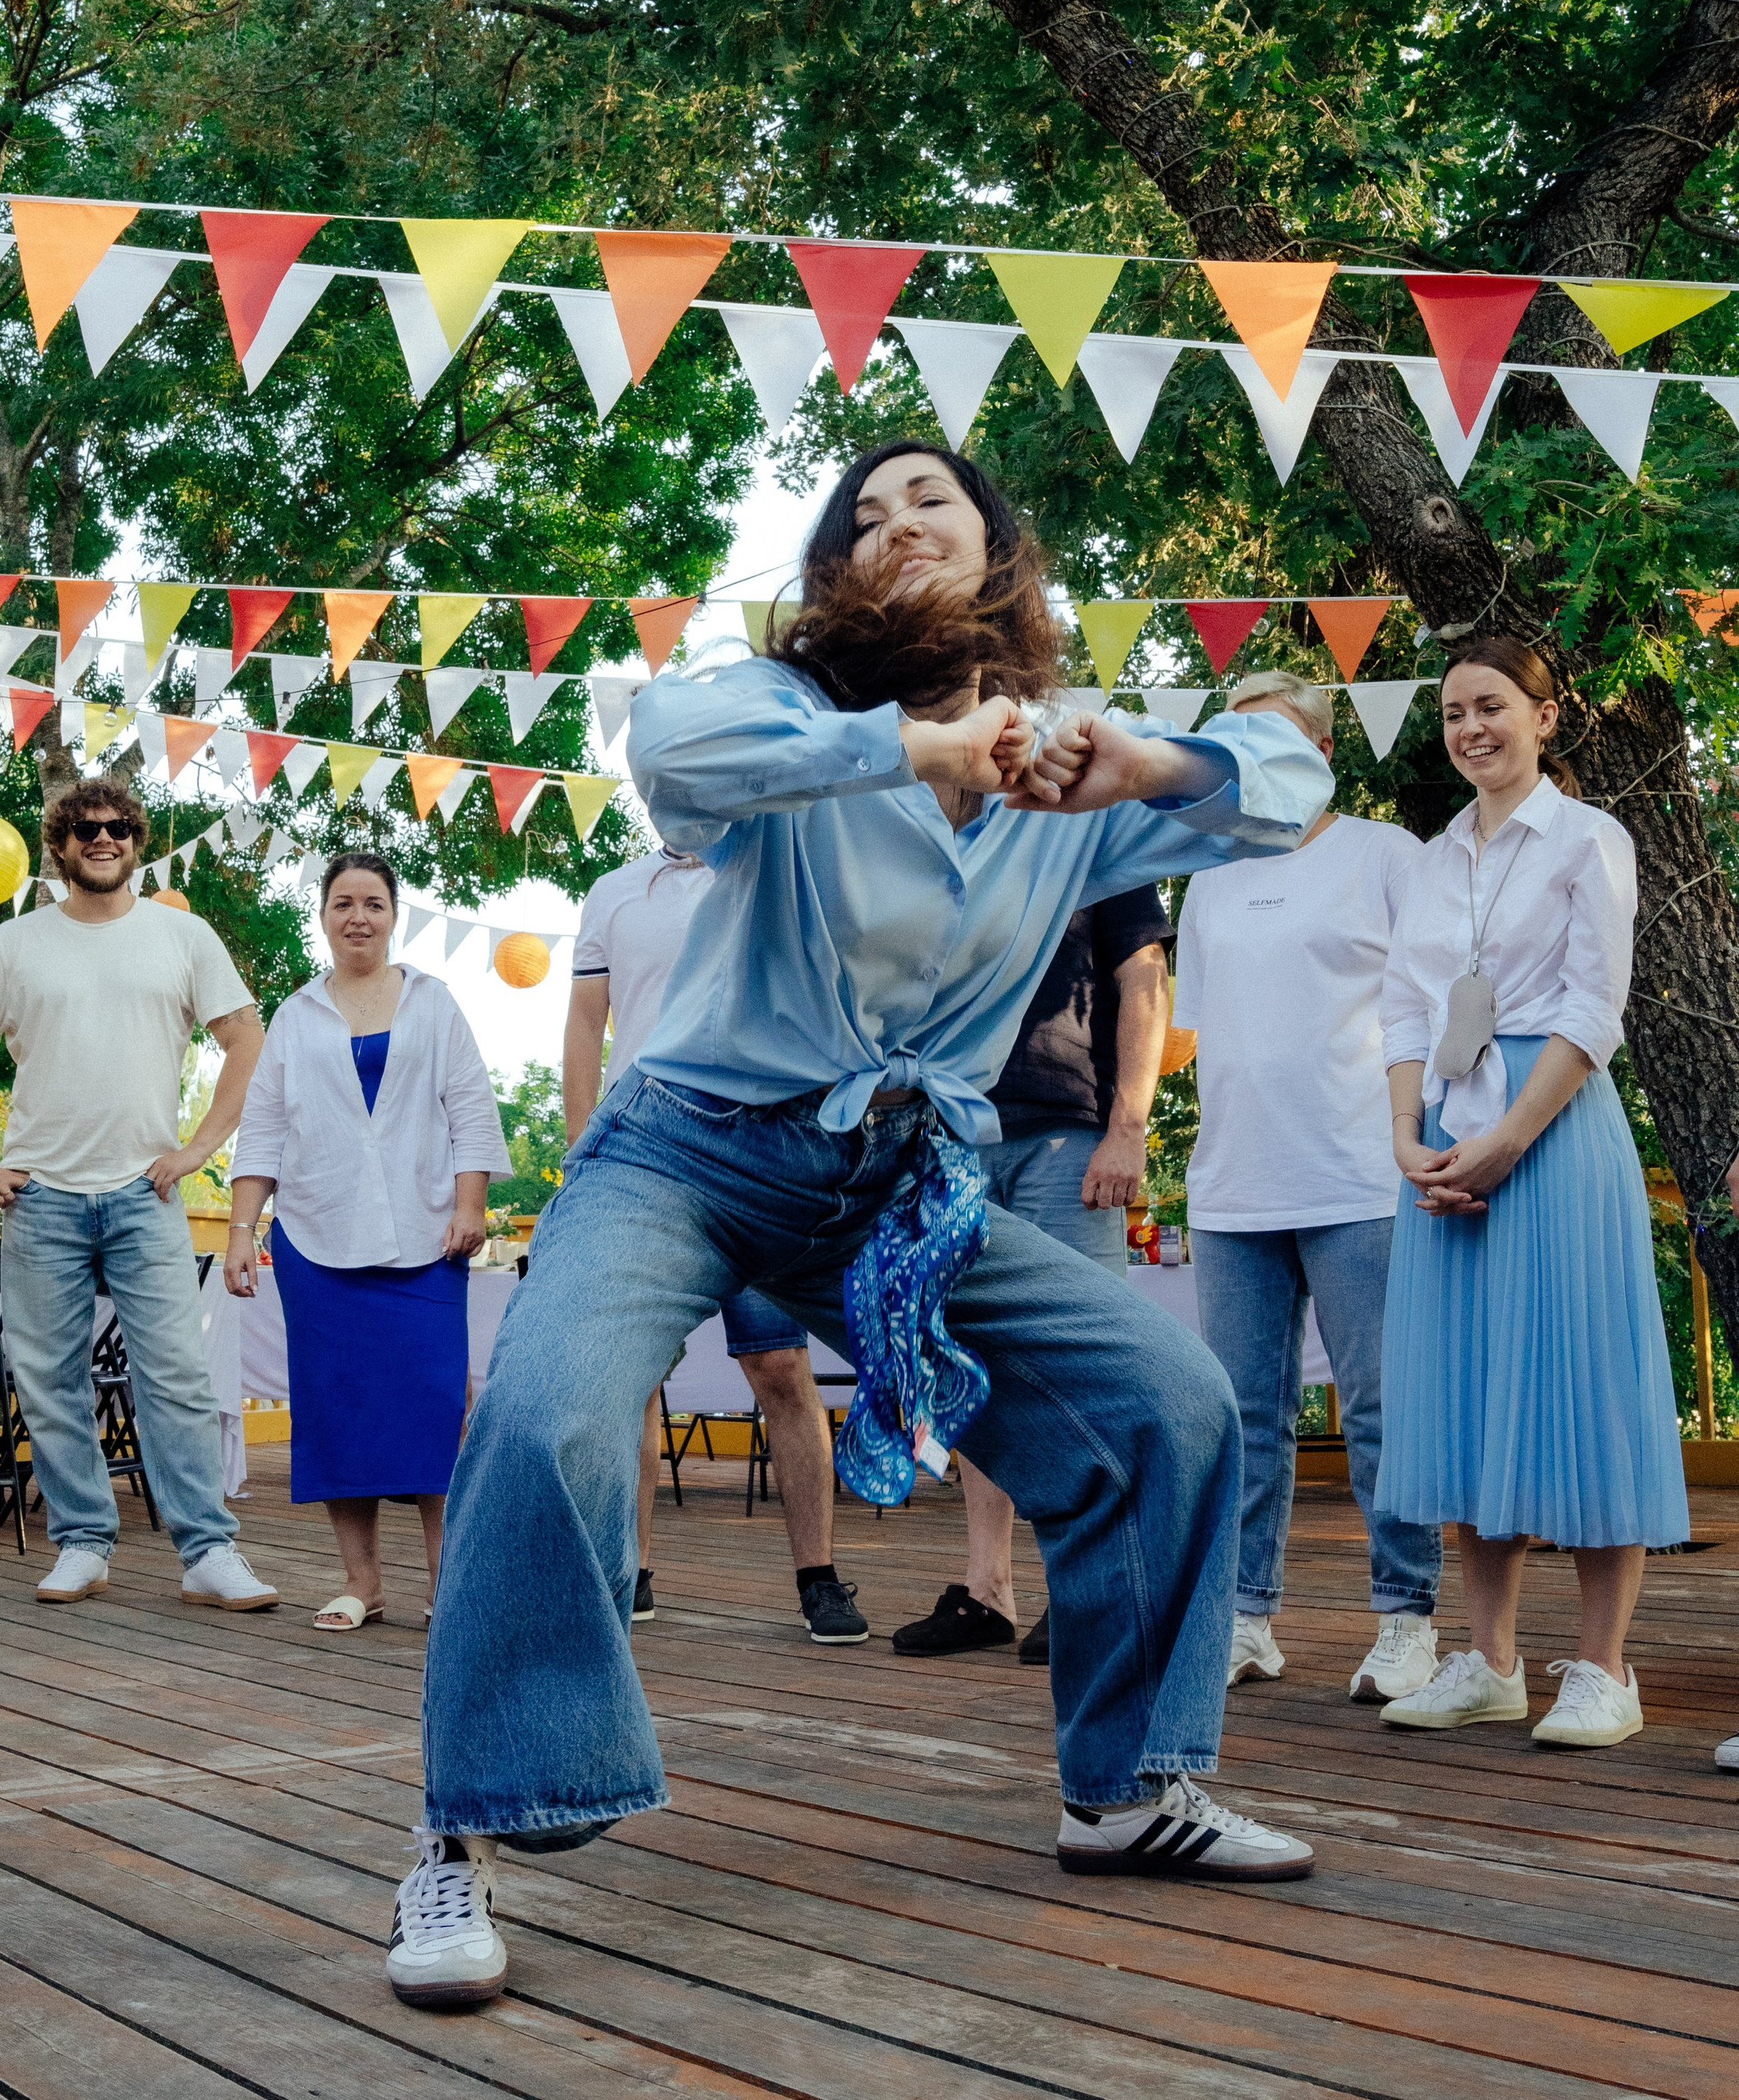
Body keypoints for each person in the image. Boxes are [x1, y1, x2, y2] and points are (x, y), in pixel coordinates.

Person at [384, 442, 1336, 2013]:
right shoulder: (800, 725)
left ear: (997, 551)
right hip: (687, 1147)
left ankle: (1124, 1790)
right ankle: (462, 1831)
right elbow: (672, 739)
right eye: (861, 514)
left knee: (1164, 1401)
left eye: (930, 504)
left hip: (890, 1188)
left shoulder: (1072, 782)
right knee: (547, 1417)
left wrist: (1140, 771)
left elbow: (1288, 779)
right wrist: (918, 748)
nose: (891, 523)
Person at [1373, 636, 1687, 1749]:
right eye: (1455, 711)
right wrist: (1410, 1136)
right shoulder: (1427, 860)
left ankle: (1605, 1668)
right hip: (1451, 1135)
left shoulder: (1589, 840)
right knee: (1465, 1390)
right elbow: (1407, 1011)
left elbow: (1593, 1012)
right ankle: (1487, 1659)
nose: (1471, 728)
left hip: (1549, 1132)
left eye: (1493, 706)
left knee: (1585, 1380)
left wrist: (1507, 1141)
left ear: (1545, 718)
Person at [0, 777, 279, 1611]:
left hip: (142, 1193)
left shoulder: (183, 936)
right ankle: (83, 1540)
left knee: (178, 1379)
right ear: (59, 845)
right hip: (39, 1195)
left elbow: (246, 1038)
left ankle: (207, 1552)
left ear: (137, 839)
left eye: (118, 826)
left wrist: (198, 1147)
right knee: (48, 1378)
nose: (103, 837)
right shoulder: (16, 944)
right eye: (85, 828)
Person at [1174, 667, 1441, 1705]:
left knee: (1382, 1408)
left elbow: (1435, 1008)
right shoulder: (1205, 873)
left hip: (1363, 1173)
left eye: (1277, 737)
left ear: (1324, 752)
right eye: (1238, 739)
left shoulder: (1385, 855)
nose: (1256, 756)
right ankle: (1246, 1617)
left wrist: (1428, 1138)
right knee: (1240, 1415)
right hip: (1234, 1181)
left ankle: (1406, 1616)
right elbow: (1201, 1032)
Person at [566, 844, 869, 1647]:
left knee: (779, 1367)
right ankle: (628, 1571)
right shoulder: (613, 891)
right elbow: (584, 1025)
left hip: (758, 1153)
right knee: (628, 1378)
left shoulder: (777, 866)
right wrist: (579, 1151)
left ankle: (818, 1576)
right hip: (643, 1159)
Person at [225, 851, 510, 1629]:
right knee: (336, 1407)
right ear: (323, 915)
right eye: (344, 902)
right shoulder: (295, 1014)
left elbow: (472, 1111)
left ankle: (450, 1585)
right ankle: (362, 1581)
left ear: (394, 915)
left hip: (426, 1238)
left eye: (374, 903)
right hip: (317, 1243)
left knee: (435, 1404)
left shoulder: (433, 1001)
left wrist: (469, 1205)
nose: (359, 916)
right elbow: (265, 1132)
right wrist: (242, 1231)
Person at [892, 881, 1171, 1664]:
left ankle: (1091, 1590)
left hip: (1067, 1133)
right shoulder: (943, 842)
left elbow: (1144, 976)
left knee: (1090, 1370)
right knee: (971, 1366)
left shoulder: (1094, 832)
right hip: (949, 1139)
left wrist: (1128, 1127)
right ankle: (989, 1592)